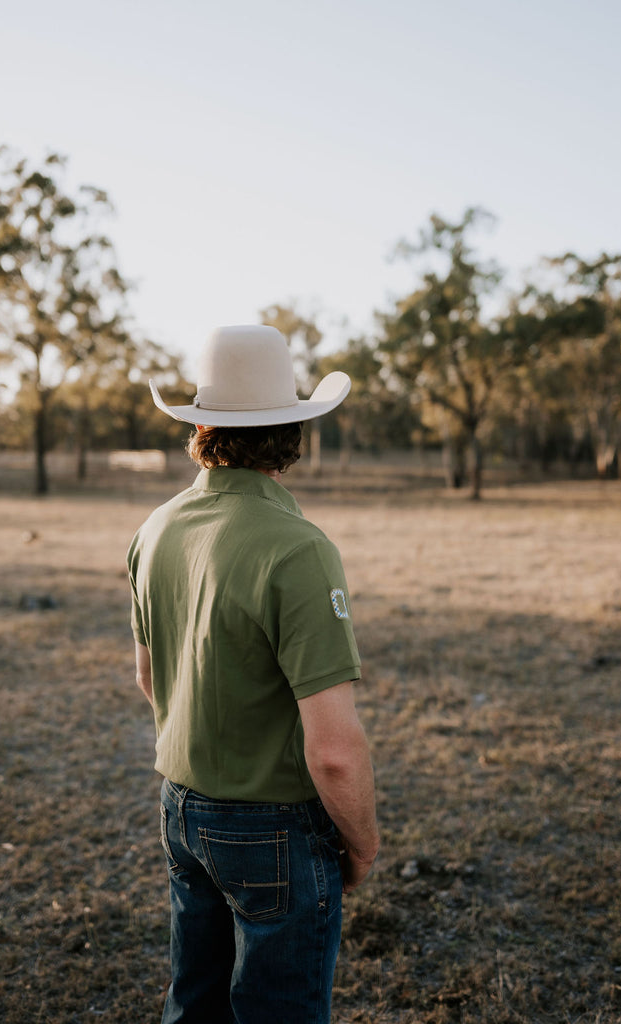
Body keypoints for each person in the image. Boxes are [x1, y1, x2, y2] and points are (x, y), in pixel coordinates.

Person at [127, 325, 379, 1024]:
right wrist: (360, 845)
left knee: (195, 1003)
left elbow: (149, 679)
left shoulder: (155, 528)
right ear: (293, 427)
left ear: (201, 424)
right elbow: (332, 751)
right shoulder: (298, 549)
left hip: (180, 808)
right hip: (273, 825)